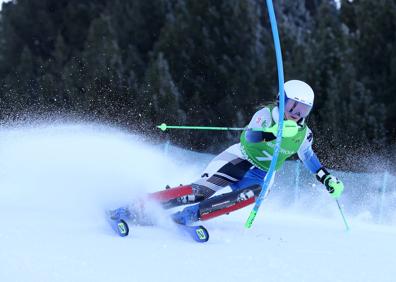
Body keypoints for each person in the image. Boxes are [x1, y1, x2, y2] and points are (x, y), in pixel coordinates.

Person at [164, 80, 344, 225]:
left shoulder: (303, 134)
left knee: (249, 196)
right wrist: (274, 132)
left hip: (262, 174)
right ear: (281, 100)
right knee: (201, 192)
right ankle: (155, 203)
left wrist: (326, 178)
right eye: (292, 107)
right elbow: (251, 136)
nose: (296, 113)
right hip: (239, 159)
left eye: (302, 110)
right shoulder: (265, 115)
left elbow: (308, 157)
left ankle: (189, 215)